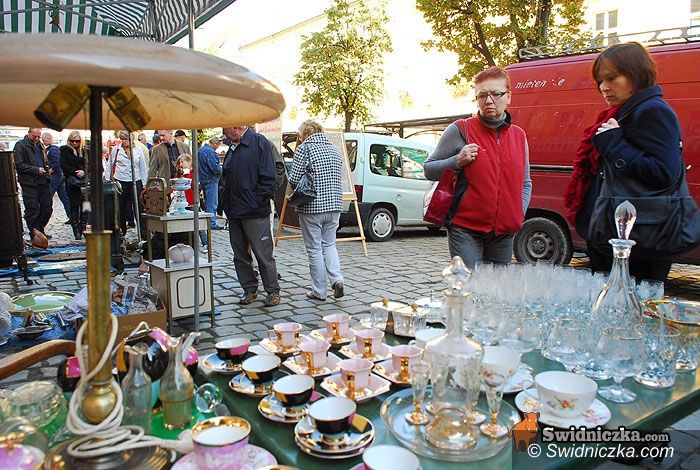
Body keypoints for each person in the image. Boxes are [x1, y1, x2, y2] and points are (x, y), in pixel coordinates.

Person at [565, 42, 682, 282]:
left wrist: (614, 144)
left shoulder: (652, 110)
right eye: (600, 81)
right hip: (614, 233)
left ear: (635, 74)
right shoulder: (623, 112)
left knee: (633, 303)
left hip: (641, 240)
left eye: (611, 78)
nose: (604, 87)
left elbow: (664, 173)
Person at [424, 66, 532, 268]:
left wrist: (518, 212)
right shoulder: (460, 129)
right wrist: (457, 160)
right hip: (465, 229)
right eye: (482, 95)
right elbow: (429, 169)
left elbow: (526, 183)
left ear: (509, 96)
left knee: (497, 287)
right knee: (470, 284)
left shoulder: (519, 135)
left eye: (496, 94)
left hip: (504, 233)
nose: (488, 100)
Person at [221, 125, 281, 307]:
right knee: (240, 254)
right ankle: (249, 289)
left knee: (263, 254)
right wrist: (225, 201)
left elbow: (270, 177)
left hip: (254, 211)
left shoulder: (259, 142)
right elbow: (226, 178)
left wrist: (258, 200)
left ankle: (273, 290)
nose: (228, 133)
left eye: (228, 129)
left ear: (238, 126)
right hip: (234, 210)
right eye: (226, 130)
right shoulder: (232, 146)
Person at [288, 119, 345, 301]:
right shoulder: (334, 149)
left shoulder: (305, 148)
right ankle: (337, 280)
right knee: (329, 244)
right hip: (334, 205)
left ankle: (319, 291)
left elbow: (294, 179)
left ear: (306, 134)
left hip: (312, 206)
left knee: (314, 249)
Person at [106, 131, 148, 236]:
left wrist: (144, 183)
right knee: (121, 207)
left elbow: (142, 166)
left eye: (126, 139)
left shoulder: (138, 150)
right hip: (121, 180)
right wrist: (108, 180)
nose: (124, 142)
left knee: (139, 206)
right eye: (122, 139)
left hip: (136, 180)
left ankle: (143, 233)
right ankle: (121, 233)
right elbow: (109, 164)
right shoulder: (116, 149)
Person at [14, 128, 53, 239]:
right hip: (29, 183)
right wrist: (35, 170)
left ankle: (39, 230)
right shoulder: (20, 145)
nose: (36, 138)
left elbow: (44, 161)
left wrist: (47, 172)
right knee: (33, 209)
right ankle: (36, 234)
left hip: (43, 181)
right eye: (34, 136)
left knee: (47, 208)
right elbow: (19, 165)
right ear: (29, 133)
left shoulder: (40, 145)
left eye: (38, 136)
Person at [60, 130, 88, 240]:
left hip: (85, 182)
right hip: (72, 182)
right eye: (72, 141)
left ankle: (83, 227)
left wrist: (84, 171)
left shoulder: (86, 150)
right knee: (74, 206)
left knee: (86, 206)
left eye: (77, 141)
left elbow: (92, 165)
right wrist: (75, 172)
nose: (75, 143)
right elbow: (63, 165)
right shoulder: (65, 150)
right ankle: (76, 230)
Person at [42, 132, 71, 224]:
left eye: (44, 140)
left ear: (49, 139)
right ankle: (72, 217)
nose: (43, 142)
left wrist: (51, 170)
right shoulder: (51, 149)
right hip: (59, 175)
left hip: (56, 175)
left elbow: (58, 162)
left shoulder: (53, 149)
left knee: (48, 195)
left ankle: (43, 216)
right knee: (64, 197)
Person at [198, 136, 224, 229]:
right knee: (212, 203)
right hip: (211, 179)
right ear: (215, 143)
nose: (218, 147)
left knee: (207, 202)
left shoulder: (201, 150)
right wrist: (222, 170)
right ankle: (211, 223)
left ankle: (209, 222)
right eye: (218, 145)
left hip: (203, 179)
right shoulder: (210, 152)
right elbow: (215, 168)